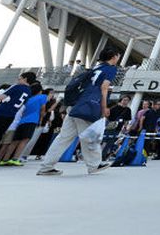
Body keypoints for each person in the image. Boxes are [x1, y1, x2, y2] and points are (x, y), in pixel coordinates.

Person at [37, 48, 121, 176]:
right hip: (88, 107)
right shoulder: (111, 68)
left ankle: (46, 166)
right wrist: (104, 107)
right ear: (113, 57)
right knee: (90, 136)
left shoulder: (96, 68)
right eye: (118, 55)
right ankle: (94, 165)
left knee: (63, 138)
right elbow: (104, 88)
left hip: (76, 105)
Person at [0, 80, 46, 165]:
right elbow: (43, 109)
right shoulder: (42, 97)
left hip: (21, 121)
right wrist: (41, 120)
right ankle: (15, 159)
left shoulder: (28, 98)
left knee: (14, 141)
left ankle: (4, 159)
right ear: (40, 91)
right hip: (32, 121)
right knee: (25, 140)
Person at [0, 72, 37, 161]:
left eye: (20, 78)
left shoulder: (17, 86)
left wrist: (3, 95)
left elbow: (0, 97)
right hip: (11, 116)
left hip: (1, 114)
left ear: (25, 79)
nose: (18, 80)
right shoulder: (29, 91)